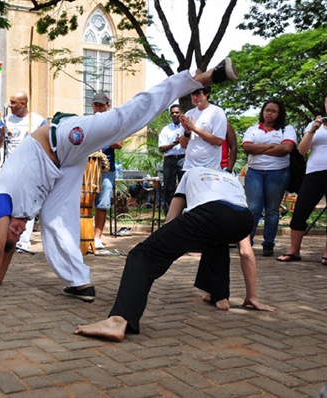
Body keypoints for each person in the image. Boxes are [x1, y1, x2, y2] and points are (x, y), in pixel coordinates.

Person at [0, 58, 239, 310]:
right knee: (53, 220)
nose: (19, 232)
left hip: (63, 137)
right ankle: (79, 282)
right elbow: (2, 248)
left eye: (12, 231)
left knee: (125, 118)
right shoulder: (10, 224)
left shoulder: (1, 200)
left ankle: (202, 77)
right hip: (64, 167)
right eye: (15, 238)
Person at [74, 167, 271, 342]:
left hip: (211, 214)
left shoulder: (190, 174)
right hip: (243, 219)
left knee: (142, 255)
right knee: (217, 238)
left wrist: (153, 246)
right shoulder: (231, 179)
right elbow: (246, 252)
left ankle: (118, 320)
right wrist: (251, 296)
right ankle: (220, 297)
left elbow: (170, 221)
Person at [242, 99, 296, 257]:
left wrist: (258, 149)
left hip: (277, 173)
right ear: (262, 111)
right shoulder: (253, 129)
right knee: (253, 209)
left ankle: (268, 244)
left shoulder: (286, 129)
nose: (270, 113)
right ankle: (247, 243)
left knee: (272, 210)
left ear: (279, 114)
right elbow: (246, 147)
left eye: (274, 111)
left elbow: (286, 148)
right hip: (255, 173)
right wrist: (272, 146)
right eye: (267, 110)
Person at [0, 91, 46, 250]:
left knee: (26, 204)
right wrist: (1, 136)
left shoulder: (37, 121)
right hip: (10, 167)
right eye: (10, 101)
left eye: (14, 102)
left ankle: (23, 241)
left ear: (23, 104)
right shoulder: (5, 120)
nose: (10, 105)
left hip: (30, 168)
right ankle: (8, 237)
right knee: (9, 201)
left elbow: (45, 145)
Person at [277, 98, 327, 265]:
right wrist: (312, 129)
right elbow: (302, 150)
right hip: (314, 172)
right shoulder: (315, 125)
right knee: (300, 212)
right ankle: (294, 251)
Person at [90, 93, 124, 250]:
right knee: (84, 203)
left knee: (102, 203)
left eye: (101, 105)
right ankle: (83, 235)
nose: (98, 108)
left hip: (106, 169)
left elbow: (119, 144)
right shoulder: (88, 122)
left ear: (107, 105)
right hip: (88, 168)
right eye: (95, 105)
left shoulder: (114, 123)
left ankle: (97, 237)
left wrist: (103, 136)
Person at [179, 86, 227, 171]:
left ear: (207, 93)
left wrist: (194, 129)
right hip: (189, 167)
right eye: (192, 94)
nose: (195, 97)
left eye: (198, 94)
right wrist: (187, 132)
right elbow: (183, 145)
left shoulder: (217, 112)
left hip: (210, 167)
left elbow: (219, 141)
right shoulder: (189, 114)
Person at [158, 104, 185, 214]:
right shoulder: (166, 129)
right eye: (172, 112)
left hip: (183, 159)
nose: (174, 114)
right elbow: (162, 148)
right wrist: (174, 144)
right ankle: (168, 215)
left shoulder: (186, 127)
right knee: (168, 188)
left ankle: (183, 214)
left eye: (177, 112)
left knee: (184, 187)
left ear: (181, 113)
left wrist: (182, 141)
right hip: (169, 160)